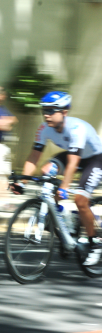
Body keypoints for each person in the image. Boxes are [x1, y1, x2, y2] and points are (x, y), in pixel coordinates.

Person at [11, 91, 102, 266]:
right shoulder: (44, 129)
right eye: (45, 110)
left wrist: (64, 187)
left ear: (65, 112)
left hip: (96, 159)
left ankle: (94, 243)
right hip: (72, 155)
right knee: (47, 170)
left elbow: (73, 163)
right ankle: (61, 217)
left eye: (52, 111)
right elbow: (34, 157)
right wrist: (22, 181)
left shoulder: (77, 129)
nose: (47, 115)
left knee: (81, 200)